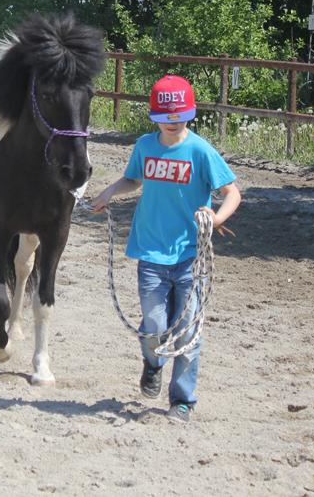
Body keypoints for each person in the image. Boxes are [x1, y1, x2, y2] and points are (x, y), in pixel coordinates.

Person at [90, 74, 241, 423]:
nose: (173, 124)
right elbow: (133, 179)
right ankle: (153, 362)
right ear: (155, 117)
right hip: (151, 252)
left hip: (190, 257)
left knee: (188, 330)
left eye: (179, 118)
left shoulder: (201, 151)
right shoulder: (145, 146)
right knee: (155, 324)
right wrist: (109, 192)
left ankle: (182, 400)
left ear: (190, 114)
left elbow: (232, 192)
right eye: (165, 118)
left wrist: (217, 218)